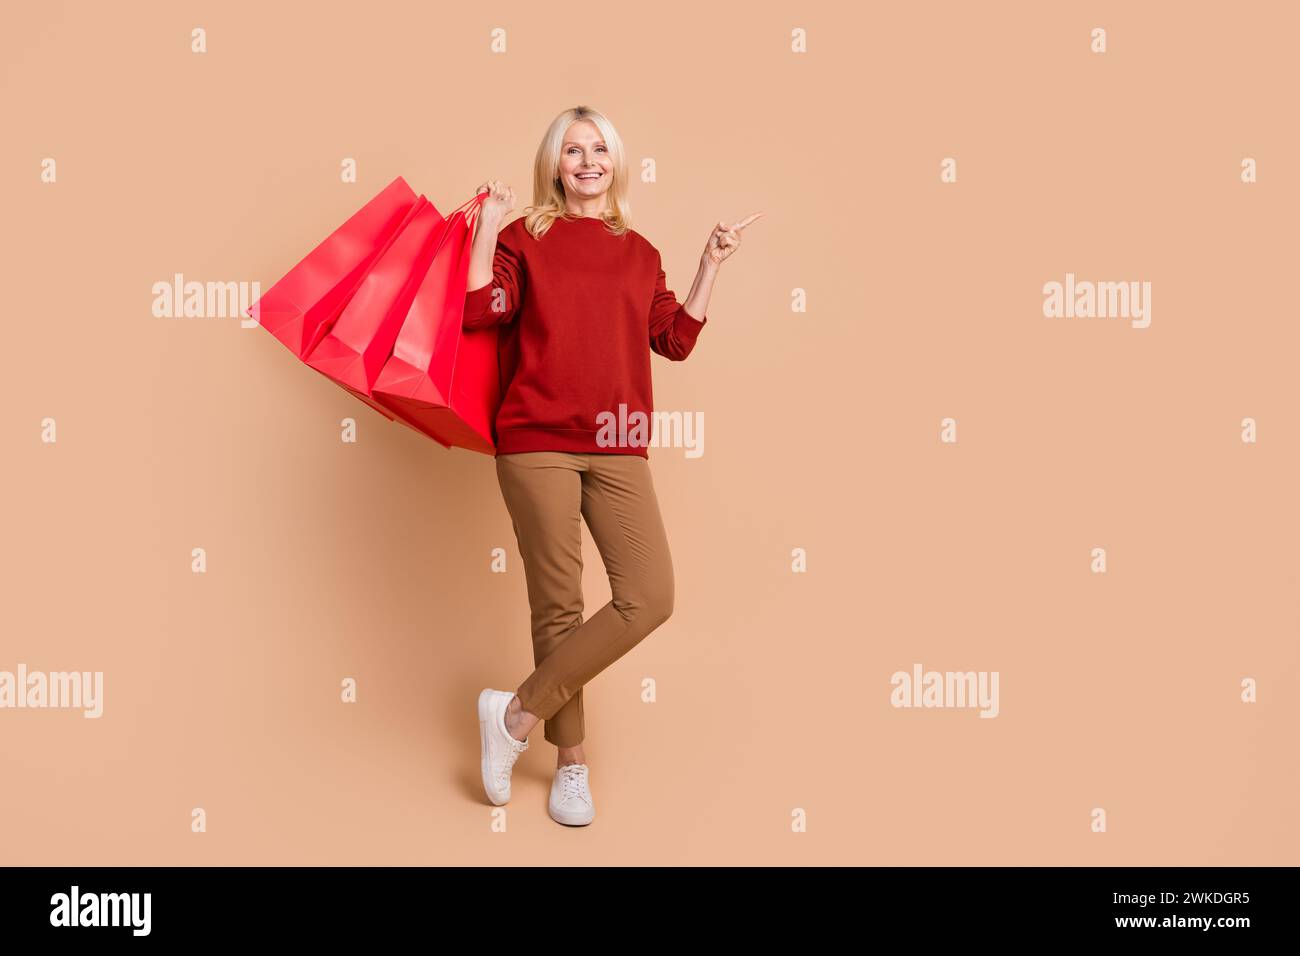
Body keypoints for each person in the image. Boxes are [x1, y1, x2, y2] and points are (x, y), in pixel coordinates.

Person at [465, 105, 760, 826]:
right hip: (536, 439)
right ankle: (572, 769)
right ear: (555, 164)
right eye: (574, 150)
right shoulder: (523, 236)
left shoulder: (640, 252)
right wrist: (485, 224)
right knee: (559, 608)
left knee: (649, 595)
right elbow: (480, 308)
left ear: (616, 163)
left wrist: (707, 266)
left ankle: (513, 718)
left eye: (600, 149)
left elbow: (674, 340)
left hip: (619, 441)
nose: (588, 161)